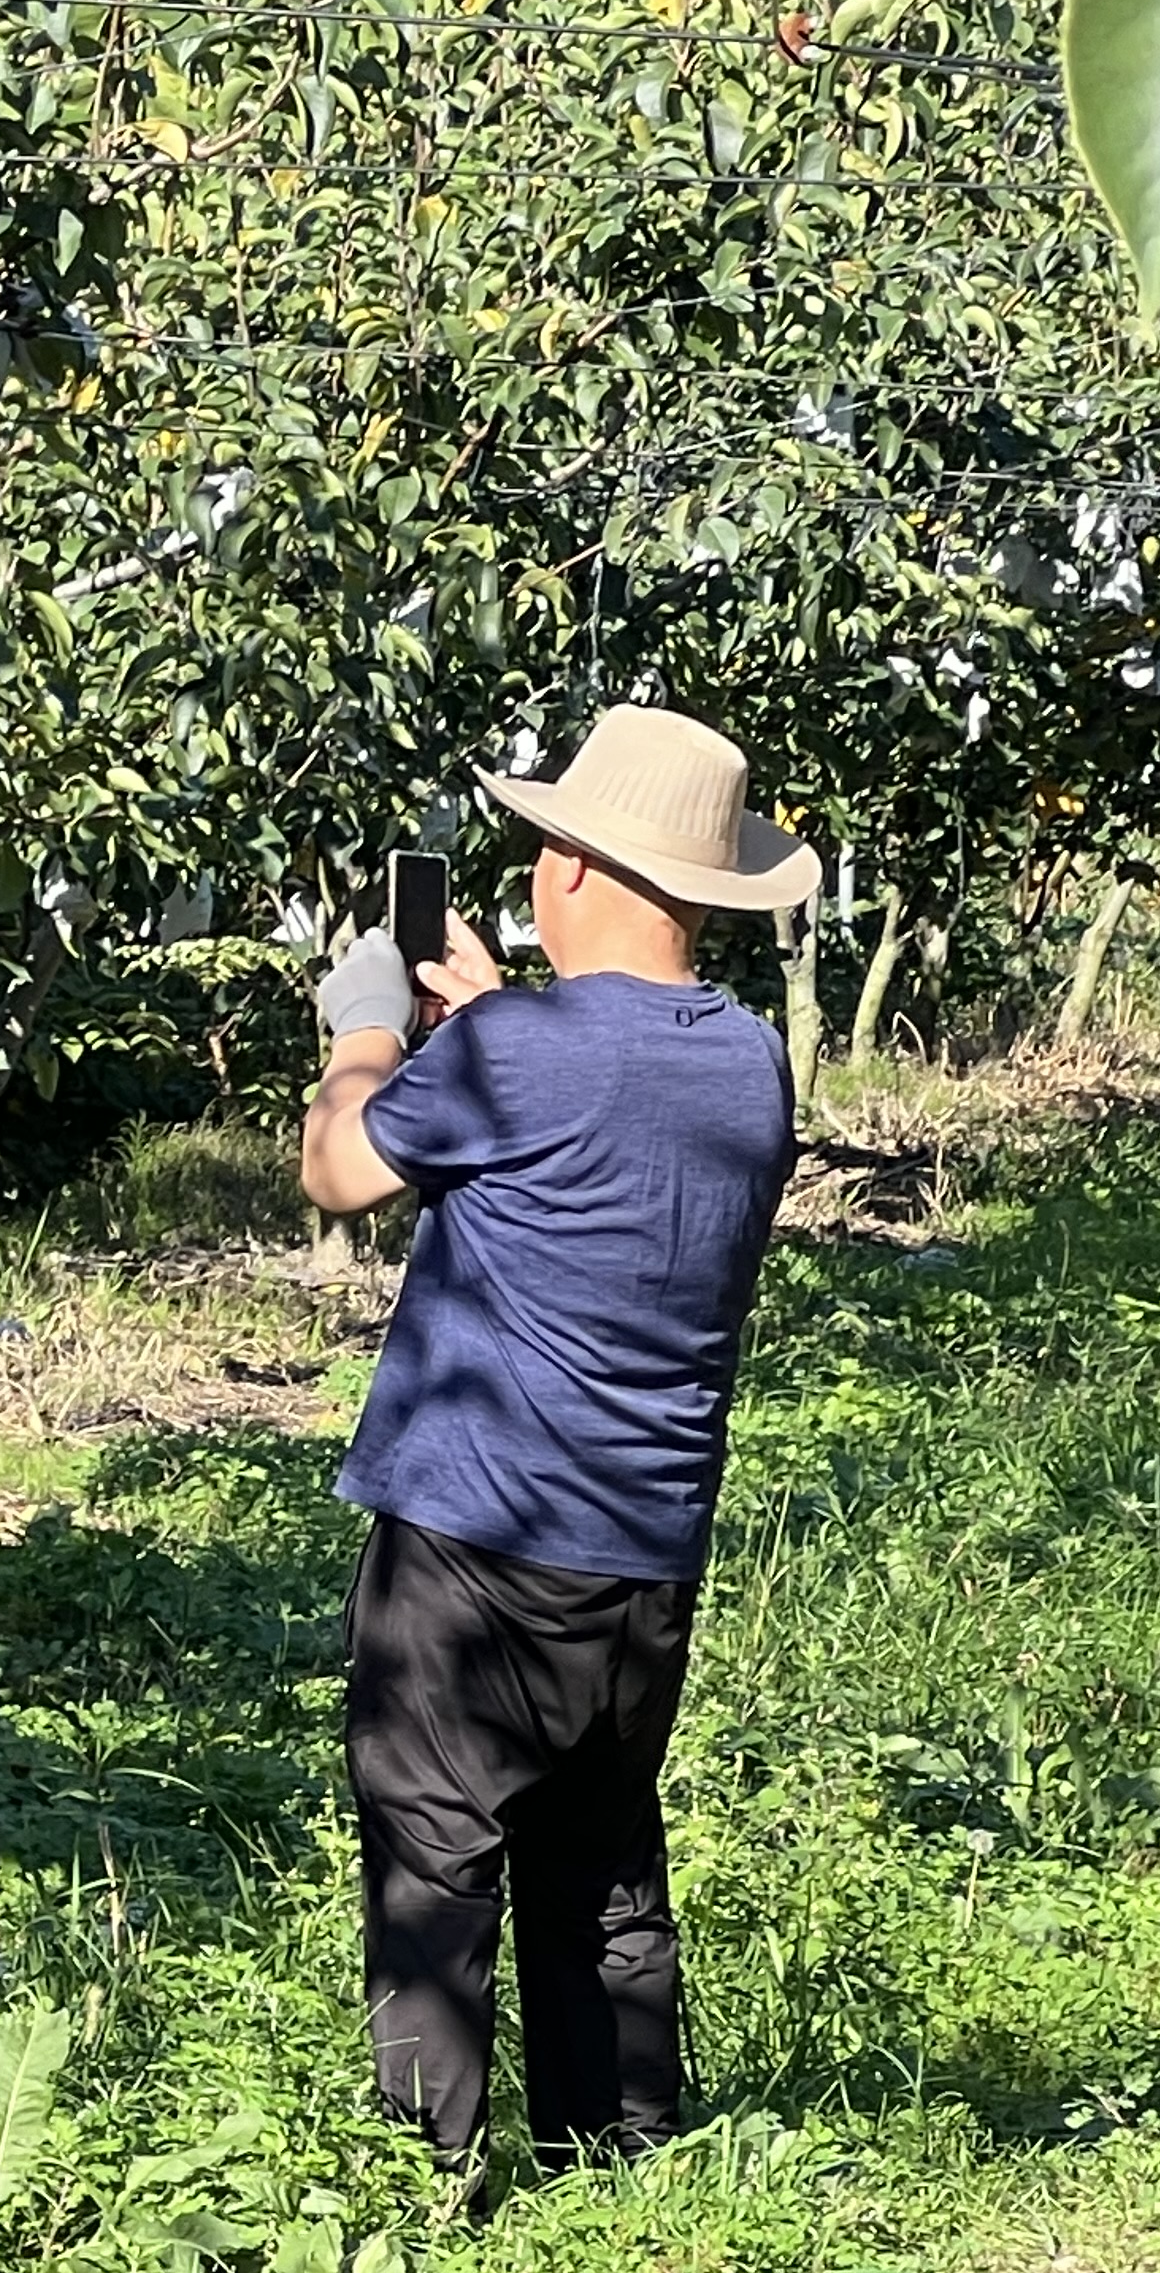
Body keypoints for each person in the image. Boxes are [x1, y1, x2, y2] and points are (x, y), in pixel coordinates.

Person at [299, 703, 814, 2179]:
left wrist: (368, 1030)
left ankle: (425, 2170)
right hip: (644, 1544)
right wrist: (484, 1021)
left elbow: (342, 1171)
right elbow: (601, 1116)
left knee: (436, 1852)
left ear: (577, 871)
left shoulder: (516, 1050)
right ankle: (621, 2159)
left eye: (544, 849)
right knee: (598, 1858)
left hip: (474, 1532)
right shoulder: (747, 1063)